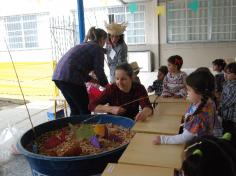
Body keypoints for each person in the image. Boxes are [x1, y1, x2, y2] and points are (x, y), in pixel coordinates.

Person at [52, 27, 108, 116]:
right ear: (102, 39)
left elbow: (78, 67)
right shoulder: (97, 48)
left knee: (75, 109)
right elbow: (99, 70)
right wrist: (107, 86)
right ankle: (85, 129)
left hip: (58, 76)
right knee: (85, 109)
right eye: (105, 41)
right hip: (70, 78)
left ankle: (73, 129)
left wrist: (91, 79)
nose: (105, 44)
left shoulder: (84, 45)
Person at [153, 70, 220, 145]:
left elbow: (185, 138)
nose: (187, 92)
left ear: (200, 92)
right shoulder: (209, 101)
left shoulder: (198, 115)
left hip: (197, 145)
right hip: (206, 138)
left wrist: (162, 139)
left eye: (189, 90)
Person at [220, 62, 236, 136]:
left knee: (230, 136)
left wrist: (219, 103)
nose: (225, 75)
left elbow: (226, 103)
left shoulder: (234, 86)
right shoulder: (227, 83)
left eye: (228, 73)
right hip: (226, 116)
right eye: (225, 72)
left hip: (232, 119)